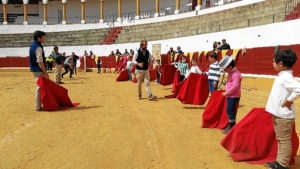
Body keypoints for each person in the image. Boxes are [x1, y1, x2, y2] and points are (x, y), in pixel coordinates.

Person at [264, 49, 299, 169]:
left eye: (274, 61)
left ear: (280, 64)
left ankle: (282, 164)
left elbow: (299, 89)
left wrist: (289, 100)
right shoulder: (284, 76)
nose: (272, 63)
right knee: (281, 139)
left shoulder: (286, 78)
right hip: (280, 113)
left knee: (284, 140)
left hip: (283, 115)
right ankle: (280, 161)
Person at [219, 55, 242, 134]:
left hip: (233, 95)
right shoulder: (232, 72)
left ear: (230, 66)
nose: (224, 70)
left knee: (230, 110)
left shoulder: (235, 74)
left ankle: (232, 127)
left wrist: (227, 92)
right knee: (230, 110)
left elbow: (235, 86)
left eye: (225, 68)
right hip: (231, 95)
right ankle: (231, 126)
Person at [29, 30, 48, 112]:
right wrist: (45, 72)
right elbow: (39, 61)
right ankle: (38, 107)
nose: (45, 39)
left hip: (34, 69)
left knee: (40, 87)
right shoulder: (38, 47)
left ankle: (39, 106)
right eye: (43, 37)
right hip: (38, 70)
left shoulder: (32, 46)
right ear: (38, 38)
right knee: (39, 88)